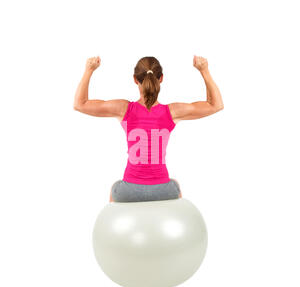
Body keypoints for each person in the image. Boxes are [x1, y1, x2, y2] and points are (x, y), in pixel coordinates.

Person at [74, 56, 224, 202]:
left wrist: (89, 69)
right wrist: (204, 70)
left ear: (135, 79)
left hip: (129, 191)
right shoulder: (173, 112)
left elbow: (80, 104)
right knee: (175, 184)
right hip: (163, 190)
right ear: (161, 78)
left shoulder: (123, 108)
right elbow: (216, 105)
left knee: (115, 188)